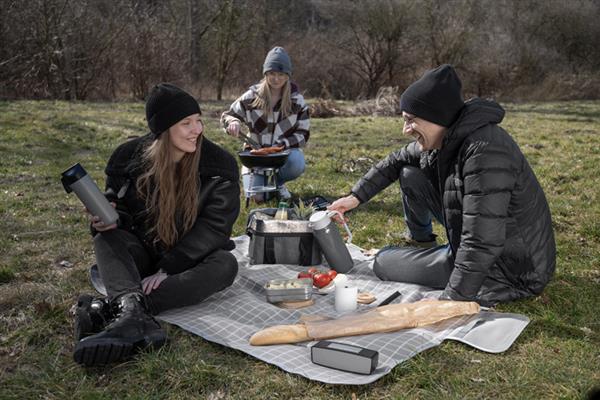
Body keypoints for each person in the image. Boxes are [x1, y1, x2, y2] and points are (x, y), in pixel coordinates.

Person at [328, 65, 556, 306]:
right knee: (409, 173)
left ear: (436, 116)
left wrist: (450, 301)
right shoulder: (448, 136)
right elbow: (396, 160)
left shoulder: (486, 151)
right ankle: (423, 242)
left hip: (510, 270)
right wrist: (355, 197)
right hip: (476, 245)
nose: (405, 130)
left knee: (383, 262)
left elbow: (482, 240)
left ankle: (442, 261)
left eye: (410, 120)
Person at [73, 83, 240, 366]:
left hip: (188, 262)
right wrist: (106, 217)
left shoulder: (219, 166)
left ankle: (124, 310)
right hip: (143, 257)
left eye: (198, 121)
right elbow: (120, 211)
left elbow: (215, 228)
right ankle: (133, 314)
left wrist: (169, 268)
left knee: (226, 264)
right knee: (106, 239)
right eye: (186, 123)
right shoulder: (127, 159)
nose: (197, 130)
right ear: (164, 129)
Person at [221, 46, 310, 201]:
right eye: (272, 73)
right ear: (265, 74)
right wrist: (233, 122)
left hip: (282, 156)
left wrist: (279, 146)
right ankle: (266, 185)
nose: (276, 79)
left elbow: (303, 134)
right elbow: (228, 115)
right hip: (255, 157)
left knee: (297, 163)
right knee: (258, 198)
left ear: (287, 76)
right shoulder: (251, 96)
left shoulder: (297, 101)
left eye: (281, 74)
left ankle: (278, 182)